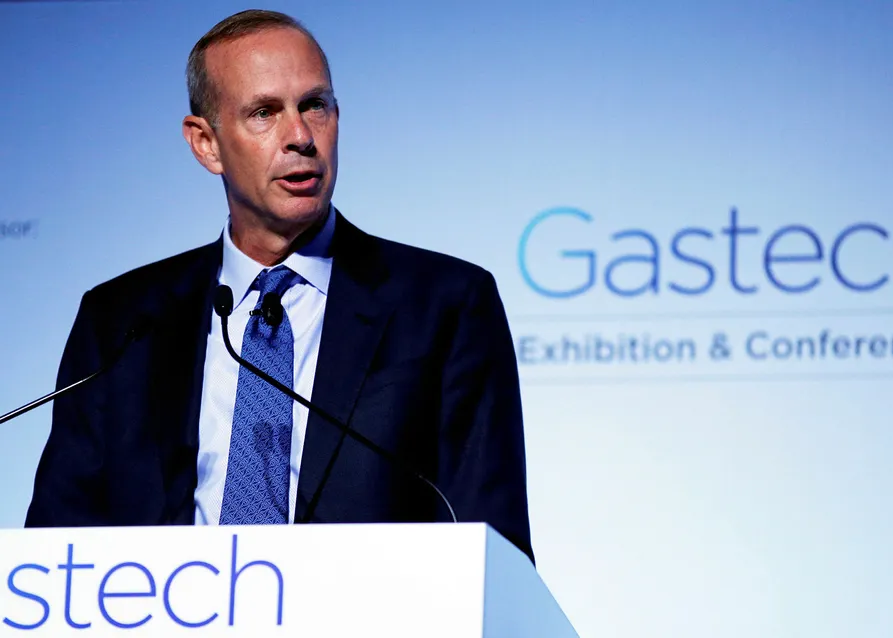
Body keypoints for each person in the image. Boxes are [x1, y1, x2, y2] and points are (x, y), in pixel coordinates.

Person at [25, 9, 533, 563]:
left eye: (315, 105)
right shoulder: (120, 322)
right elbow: (55, 550)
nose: (300, 137)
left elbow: (495, 553)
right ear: (206, 143)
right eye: (264, 112)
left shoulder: (447, 306)